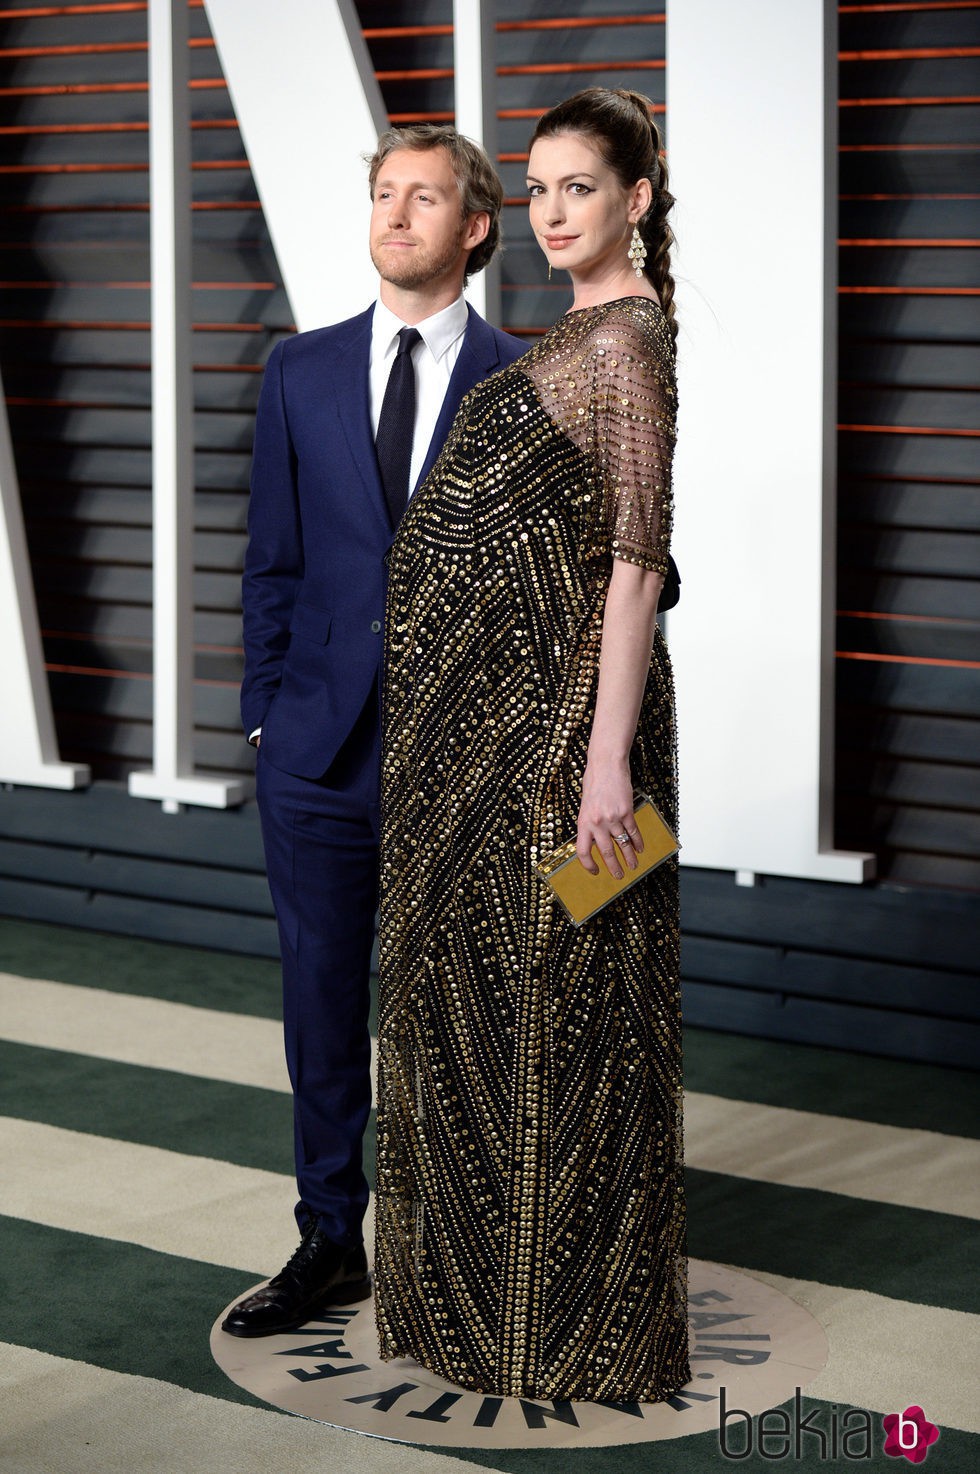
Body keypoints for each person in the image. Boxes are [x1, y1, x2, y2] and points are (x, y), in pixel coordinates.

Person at [375, 88, 689, 1402]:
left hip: (559, 754)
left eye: (582, 189)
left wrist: (603, 761)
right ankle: (473, 1311)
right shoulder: (576, 332)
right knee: (476, 1026)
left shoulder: (621, 344)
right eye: (543, 189)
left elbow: (632, 565)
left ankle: (554, 1329)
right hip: (483, 752)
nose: (556, 213)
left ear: (638, 200)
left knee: (553, 1033)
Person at [223, 126, 526, 1339]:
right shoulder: (296, 371)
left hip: (462, 759)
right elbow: (270, 563)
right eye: (383, 194)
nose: (396, 213)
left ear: (475, 229)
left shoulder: (523, 376)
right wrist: (264, 715)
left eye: (425, 198)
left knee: (463, 1009)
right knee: (320, 1000)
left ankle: (457, 1244)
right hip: (315, 755)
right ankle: (329, 1236)